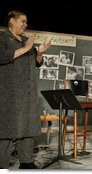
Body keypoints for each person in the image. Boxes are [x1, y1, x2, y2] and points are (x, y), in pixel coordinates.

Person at [0, 10, 51, 169]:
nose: (25, 25)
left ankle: (26, 162)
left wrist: (40, 52)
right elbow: (2, 57)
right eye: (22, 21)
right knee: (7, 131)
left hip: (28, 94)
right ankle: (2, 165)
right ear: (12, 21)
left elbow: (37, 62)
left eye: (26, 22)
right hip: (10, 94)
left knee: (28, 128)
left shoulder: (25, 41)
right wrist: (26, 47)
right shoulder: (3, 38)